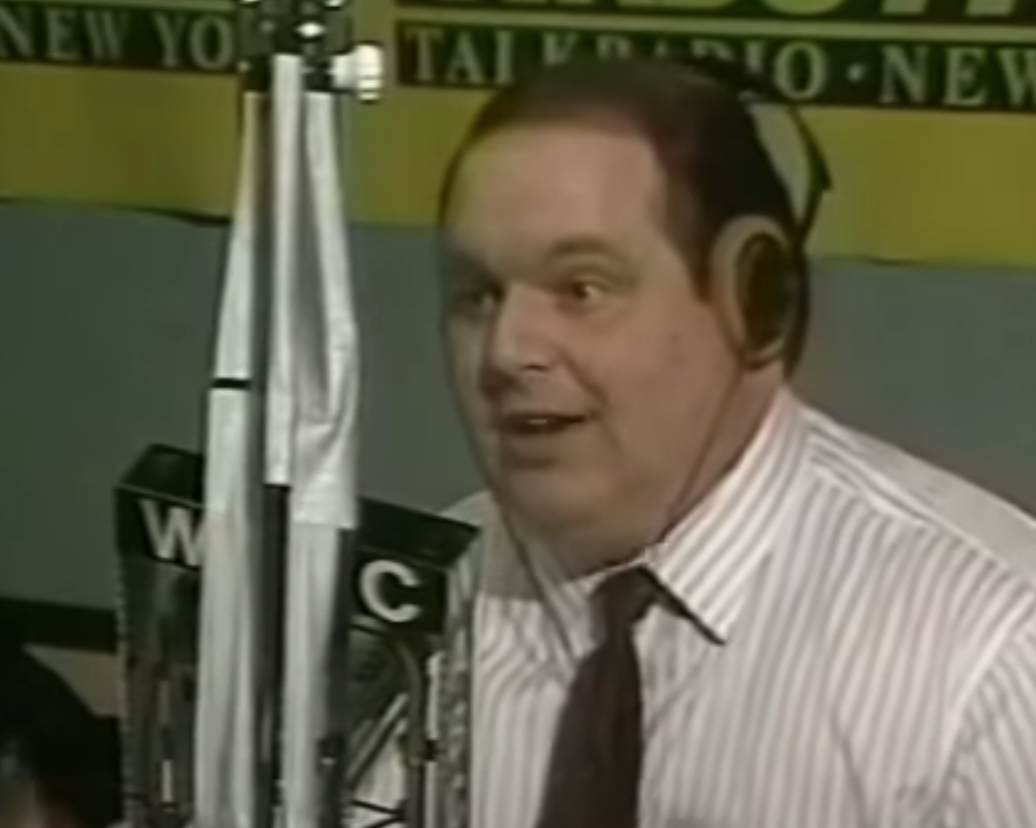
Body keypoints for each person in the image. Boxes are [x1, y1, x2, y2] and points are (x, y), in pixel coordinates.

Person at [358, 56, 1036, 827]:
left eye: (582, 290)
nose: (507, 350)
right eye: (477, 296)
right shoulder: (410, 612)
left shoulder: (994, 650)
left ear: (756, 300)